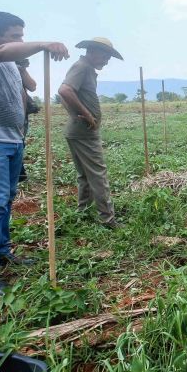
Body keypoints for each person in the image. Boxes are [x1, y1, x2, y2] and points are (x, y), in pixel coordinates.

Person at [0, 11, 69, 300]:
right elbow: (3, 52)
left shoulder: (10, 63)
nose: (21, 40)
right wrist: (44, 44)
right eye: (16, 36)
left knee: (5, 201)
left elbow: (27, 86)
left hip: (11, 140)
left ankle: (2, 252)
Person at [57, 37, 123, 229]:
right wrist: (85, 115)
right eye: (105, 56)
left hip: (78, 131)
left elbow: (66, 92)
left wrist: (75, 114)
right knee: (98, 174)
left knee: (85, 175)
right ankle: (108, 219)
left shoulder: (84, 68)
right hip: (84, 132)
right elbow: (65, 90)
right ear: (93, 51)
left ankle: (83, 211)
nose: (107, 60)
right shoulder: (82, 67)